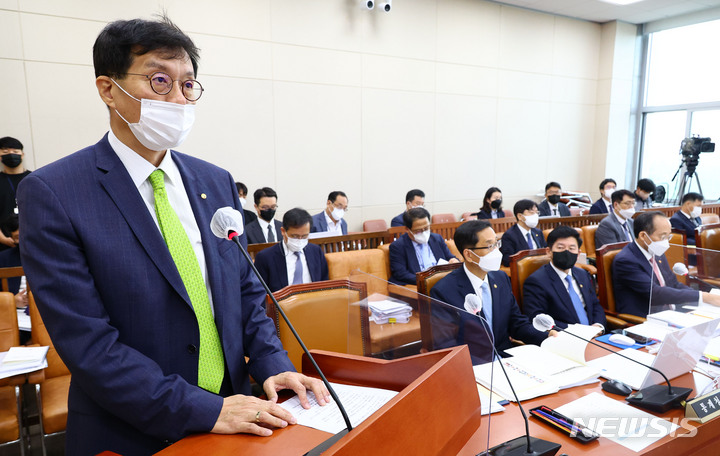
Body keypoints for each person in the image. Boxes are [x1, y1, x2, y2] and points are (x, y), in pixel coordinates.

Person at [17, 17, 328, 455]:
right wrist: (204, 410)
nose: (178, 99)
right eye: (159, 80)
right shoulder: (56, 191)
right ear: (108, 89)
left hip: (237, 412)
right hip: (133, 430)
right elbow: (89, 345)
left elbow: (242, 291)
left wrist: (271, 363)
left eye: (187, 85)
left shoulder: (213, 179)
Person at [430, 220, 552, 360]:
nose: (496, 251)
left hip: (506, 359)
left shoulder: (501, 278)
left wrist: (546, 337)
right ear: (469, 255)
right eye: (489, 246)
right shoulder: (443, 291)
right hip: (473, 365)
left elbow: (517, 323)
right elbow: (446, 345)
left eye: (496, 244)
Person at [612, 211, 720, 317]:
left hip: (672, 313)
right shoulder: (626, 260)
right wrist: (703, 296)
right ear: (643, 236)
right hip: (645, 319)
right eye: (663, 237)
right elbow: (655, 293)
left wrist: (705, 296)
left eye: (669, 237)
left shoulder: (655, 251)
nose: (666, 243)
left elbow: (674, 284)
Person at [523, 226, 607, 330]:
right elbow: (538, 320)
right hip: (564, 337)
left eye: (572, 248)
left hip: (595, 334)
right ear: (549, 251)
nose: (567, 252)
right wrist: (579, 331)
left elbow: (595, 305)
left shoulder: (583, 274)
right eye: (560, 248)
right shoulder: (536, 282)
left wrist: (598, 326)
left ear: (578, 254)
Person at [255, 208, 329, 292]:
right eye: (295, 236)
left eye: (304, 236)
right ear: (283, 231)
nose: (300, 240)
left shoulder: (316, 251)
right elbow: (260, 293)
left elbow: (324, 284)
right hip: (281, 304)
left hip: (313, 301)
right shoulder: (265, 257)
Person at [389, 207, 459, 285]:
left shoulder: (436, 238)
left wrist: (454, 261)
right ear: (407, 229)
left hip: (443, 281)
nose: (424, 233)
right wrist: (427, 280)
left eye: (426, 228)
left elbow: (450, 257)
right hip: (420, 284)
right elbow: (401, 274)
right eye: (418, 230)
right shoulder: (398, 246)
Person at [0, 137, 31, 250]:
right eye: (5, 152)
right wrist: (2, 238)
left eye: (15, 151)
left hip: (33, 240)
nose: (11, 154)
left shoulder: (33, 178)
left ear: (22, 154)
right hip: (3, 243)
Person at [499, 199, 546, 267]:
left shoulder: (538, 232)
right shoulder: (509, 235)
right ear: (520, 216)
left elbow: (546, 251)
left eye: (537, 213)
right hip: (524, 270)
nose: (535, 216)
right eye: (532, 212)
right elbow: (507, 260)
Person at [0, 215, 25, 308]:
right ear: (12, 238)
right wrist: (11, 301)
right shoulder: (3, 259)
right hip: (12, 312)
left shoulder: (50, 256)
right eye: (18, 237)